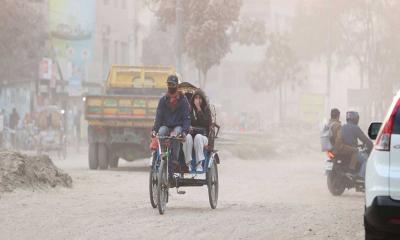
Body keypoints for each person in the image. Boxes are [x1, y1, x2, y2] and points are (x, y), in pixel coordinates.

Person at [151, 75, 190, 181]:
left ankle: (174, 159)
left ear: (176, 86)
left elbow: (186, 118)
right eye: (169, 84)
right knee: (161, 131)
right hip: (166, 126)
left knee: (177, 133)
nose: (170, 86)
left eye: (172, 84)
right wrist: (154, 130)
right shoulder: (163, 100)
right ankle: (163, 156)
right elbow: (158, 117)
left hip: (178, 126)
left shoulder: (183, 101)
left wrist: (184, 131)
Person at [182, 89, 212, 172]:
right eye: (196, 98)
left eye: (200, 98)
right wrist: (189, 127)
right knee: (187, 137)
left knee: (198, 137)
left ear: (202, 100)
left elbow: (206, 123)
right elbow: (186, 121)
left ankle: (199, 164)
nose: (198, 100)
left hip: (203, 137)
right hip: (191, 135)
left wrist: (199, 109)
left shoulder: (206, 110)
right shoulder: (189, 110)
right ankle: (188, 164)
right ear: (193, 99)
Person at [337, 111, 373, 178]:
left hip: (344, 151)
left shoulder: (343, 127)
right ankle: (360, 177)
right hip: (352, 151)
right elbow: (364, 139)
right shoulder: (355, 128)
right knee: (366, 160)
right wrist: (371, 144)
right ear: (355, 119)